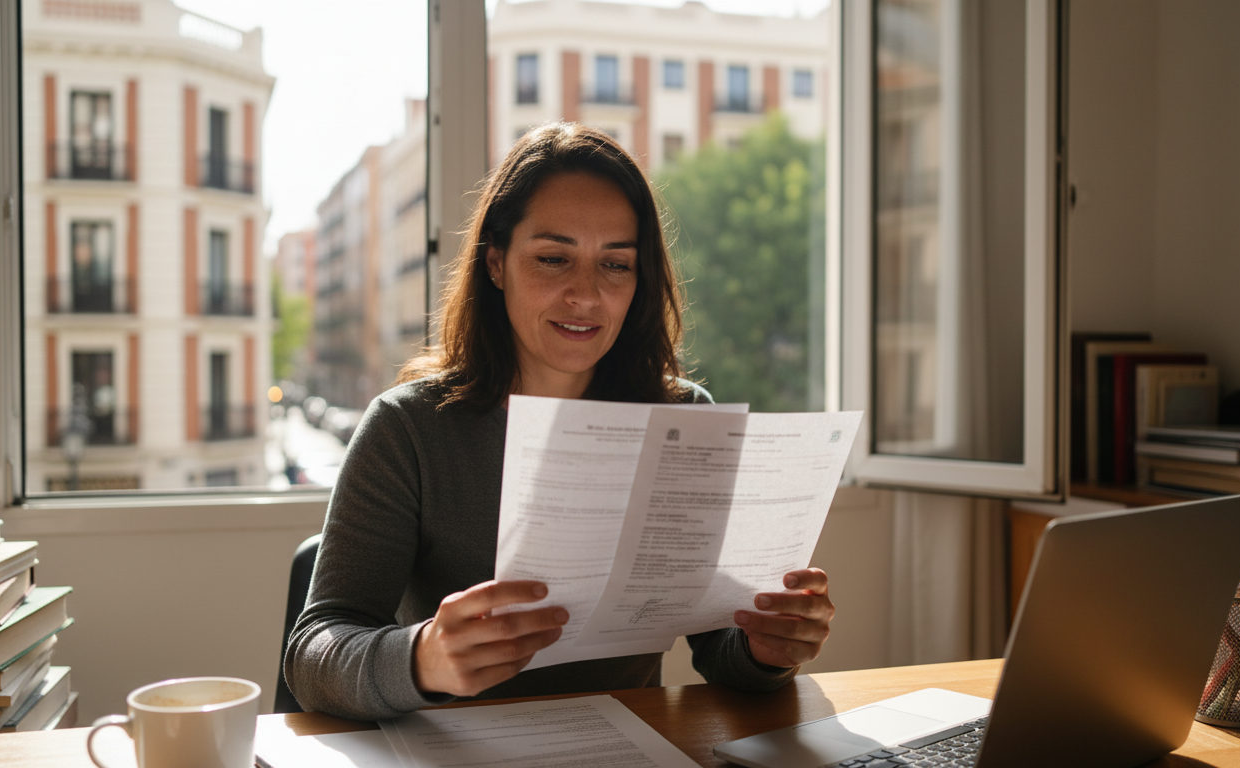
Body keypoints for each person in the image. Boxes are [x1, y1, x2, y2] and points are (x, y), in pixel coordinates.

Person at [284, 122, 835, 721]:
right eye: (553, 259)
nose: (586, 296)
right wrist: (422, 657)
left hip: (628, 748)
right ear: (496, 264)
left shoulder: (683, 423)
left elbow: (719, 651)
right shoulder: (409, 427)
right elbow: (315, 654)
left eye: (616, 266)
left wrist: (766, 649)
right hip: (453, 755)